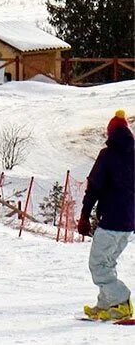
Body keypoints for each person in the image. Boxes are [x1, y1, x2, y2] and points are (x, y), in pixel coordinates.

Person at [79, 110, 133, 321]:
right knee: (107, 262)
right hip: (128, 223)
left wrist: (84, 215)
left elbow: (94, 186)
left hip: (111, 219)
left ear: (110, 132)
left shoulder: (108, 155)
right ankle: (105, 304)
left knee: (98, 264)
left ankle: (122, 301)